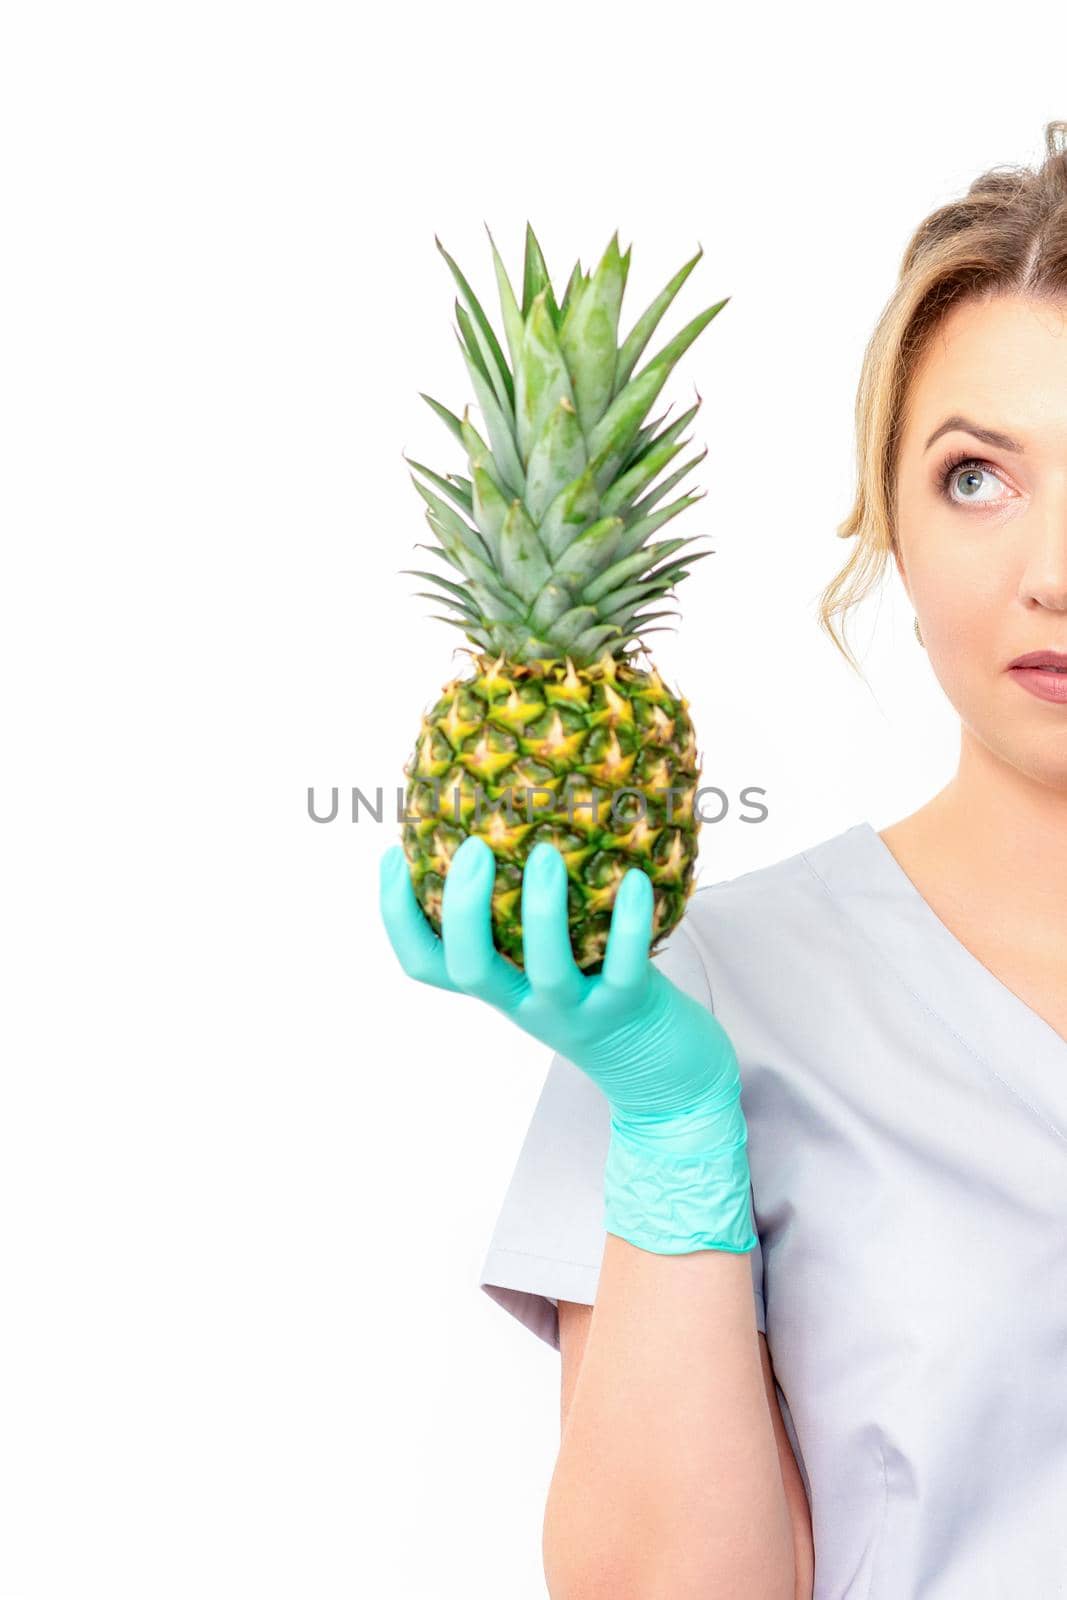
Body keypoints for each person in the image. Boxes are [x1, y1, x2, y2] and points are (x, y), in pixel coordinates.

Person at [380, 120, 1067, 1599]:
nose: (1054, 571)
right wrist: (673, 1124)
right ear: (882, 513)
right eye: (975, 477)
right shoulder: (684, 996)